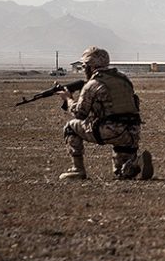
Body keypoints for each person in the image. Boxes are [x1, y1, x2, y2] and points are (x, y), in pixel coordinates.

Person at [57, 46, 153, 181]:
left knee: (70, 127)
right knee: (121, 173)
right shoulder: (123, 79)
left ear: (90, 66)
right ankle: (137, 163)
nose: (84, 70)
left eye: (84, 67)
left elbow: (80, 114)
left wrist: (68, 99)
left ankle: (77, 170)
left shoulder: (93, 84)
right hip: (132, 132)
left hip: (112, 130)